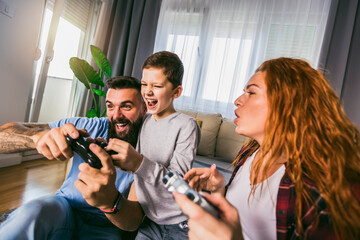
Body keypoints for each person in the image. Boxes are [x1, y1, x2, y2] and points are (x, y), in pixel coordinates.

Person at [174, 57, 360, 240]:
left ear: (289, 105)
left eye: (252, 93)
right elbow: (235, 220)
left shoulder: (320, 189)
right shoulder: (250, 151)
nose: (238, 100)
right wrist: (219, 190)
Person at [0, 76, 146, 239]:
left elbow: (133, 222)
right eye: (110, 106)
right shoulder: (91, 126)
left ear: (144, 109)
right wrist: (36, 137)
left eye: (126, 106)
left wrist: (110, 202)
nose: (116, 115)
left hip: (106, 227)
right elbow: (3, 134)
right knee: (33, 211)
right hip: (64, 208)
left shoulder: (153, 149)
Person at [80, 51, 201, 239]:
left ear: (176, 92)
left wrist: (138, 163)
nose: (147, 91)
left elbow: (178, 183)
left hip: (180, 222)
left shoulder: (187, 125)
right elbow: (137, 169)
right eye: (144, 84)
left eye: (157, 85)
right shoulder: (144, 122)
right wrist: (108, 152)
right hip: (149, 219)